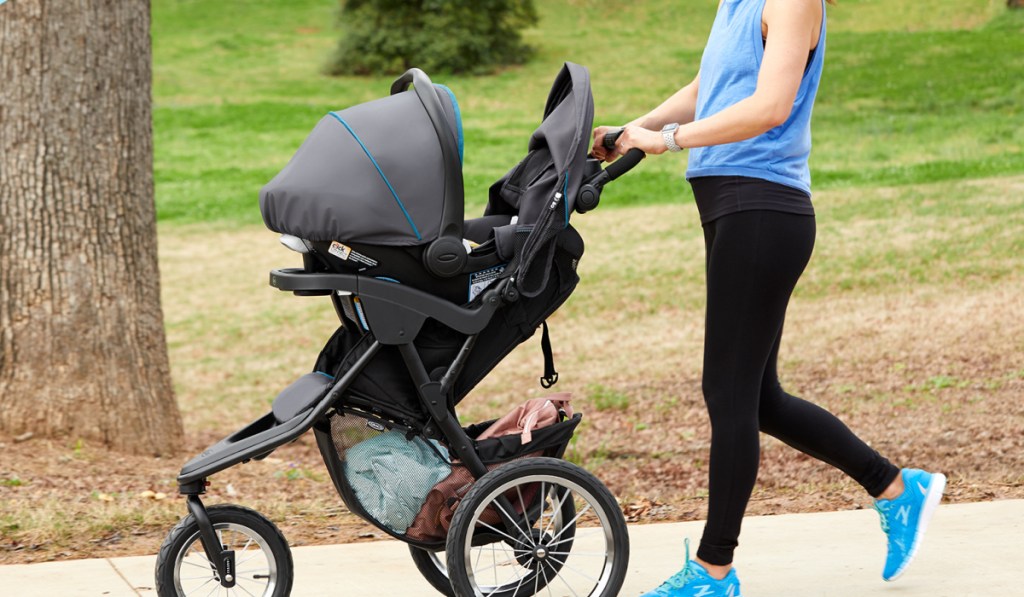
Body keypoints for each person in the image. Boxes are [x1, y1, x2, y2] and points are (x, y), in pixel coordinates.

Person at [590, 0, 946, 595]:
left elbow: (769, 106)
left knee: (728, 392)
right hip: (733, 208)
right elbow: (713, 85)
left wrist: (669, 140)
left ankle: (713, 571)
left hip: (761, 208)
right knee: (758, 398)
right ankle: (896, 489)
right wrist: (632, 134)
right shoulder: (737, 4)